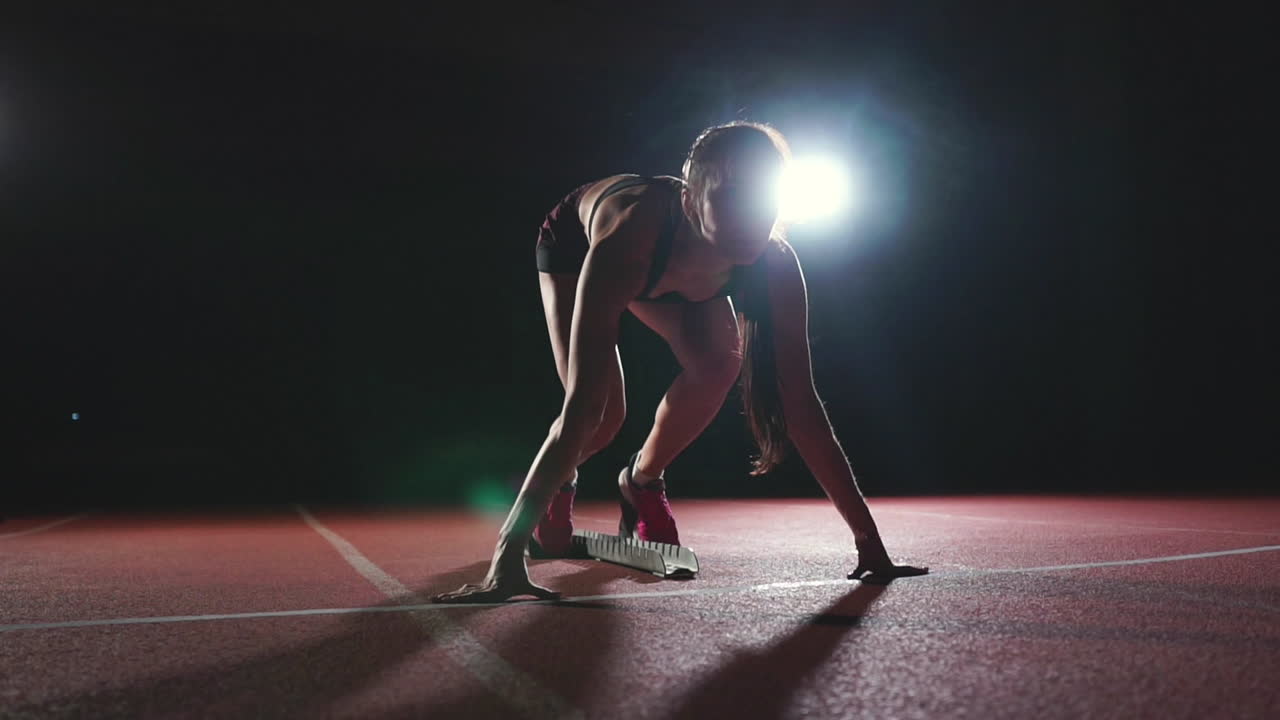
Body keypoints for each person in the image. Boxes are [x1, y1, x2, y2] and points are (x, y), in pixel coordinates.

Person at [432, 121, 927, 603]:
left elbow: (802, 406)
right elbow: (580, 405)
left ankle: (641, 480)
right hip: (578, 246)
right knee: (601, 418)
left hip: (677, 265)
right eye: (732, 197)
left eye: (766, 198)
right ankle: (554, 480)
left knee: (719, 364)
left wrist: (869, 542)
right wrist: (507, 556)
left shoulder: (773, 260)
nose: (751, 217)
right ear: (691, 200)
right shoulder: (629, 241)